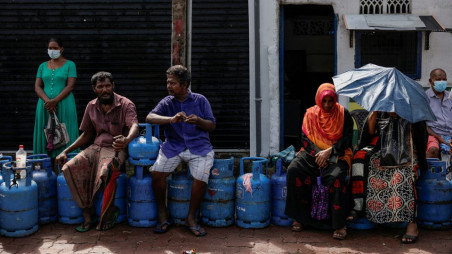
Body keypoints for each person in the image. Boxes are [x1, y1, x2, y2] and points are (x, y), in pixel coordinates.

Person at [55, 72, 138, 232]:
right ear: (94, 88)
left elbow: (134, 125)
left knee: (107, 171)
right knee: (69, 167)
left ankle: (108, 214)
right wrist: (65, 151)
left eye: (107, 85)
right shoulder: (91, 106)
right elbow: (86, 134)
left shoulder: (126, 104)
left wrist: (127, 140)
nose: (105, 89)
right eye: (100, 87)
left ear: (113, 85)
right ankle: (87, 213)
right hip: (95, 147)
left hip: (116, 148)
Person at [146, 65, 215, 237]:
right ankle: (163, 215)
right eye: (168, 82)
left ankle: (191, 218)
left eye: (173, 83)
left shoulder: (200, 100)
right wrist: (170, 119)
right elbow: (149, 117)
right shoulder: (167, 102)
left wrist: (198, 120)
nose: (169, 86)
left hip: (199, 147)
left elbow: (212, 125)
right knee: (157, 173)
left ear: (185, 85)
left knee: (201, 176)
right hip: (173, 146)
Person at [285, 83, 353, 240]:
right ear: (318, 100)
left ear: (335, 99)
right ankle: (300, 218)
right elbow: (304, 139)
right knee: (294, 170)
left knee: (337, 177)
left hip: (337, 154)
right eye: (324, 101)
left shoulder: (344, 114)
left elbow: (348, 139)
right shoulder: (310, 114)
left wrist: (330, 151)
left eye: (331, 101)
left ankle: (339, 224)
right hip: (312, 154)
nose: (327, 105)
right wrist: (318, 155)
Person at [348, 111, 427, 244]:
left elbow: (420, 140)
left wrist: (404, 119)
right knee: (359, 159)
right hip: (383, 149)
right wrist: (375, 113)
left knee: (404, 173)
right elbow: (370, 133)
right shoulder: (381, 110)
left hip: (408, 151)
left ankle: (412, 223)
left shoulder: (412, 111)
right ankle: (358, 207)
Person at [33, 38, 79, 167]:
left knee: (66, 132)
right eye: (50, 48)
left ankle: (67, 167)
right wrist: (48, 101)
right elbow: (37, 86)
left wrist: (55, 101)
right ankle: (44, 167)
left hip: (64, 105)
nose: (52, 51)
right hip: (44, 106)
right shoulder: (42, 66)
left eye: (55, 48)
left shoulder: (70, 64)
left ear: (61, 49)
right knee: (45, 132)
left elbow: (70, 86)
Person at [425, 68, 452, 158]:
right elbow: (423, 124)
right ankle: (428, 171)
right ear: (430, 81)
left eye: (444, 80)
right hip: (433, 134)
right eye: (438, 80)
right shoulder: (425, 98)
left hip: (450, 133)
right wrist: (438, 137)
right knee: (433, 150)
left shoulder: (450, 96)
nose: (442, 82)